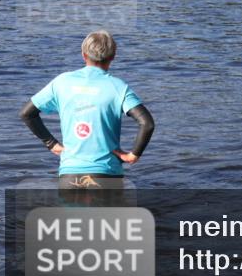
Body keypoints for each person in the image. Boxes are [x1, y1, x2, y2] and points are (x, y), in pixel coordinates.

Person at [19, 30, 155, 189]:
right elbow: (147, 123)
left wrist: (51, 143)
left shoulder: (61, 82)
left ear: (84, 55)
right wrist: (133, 155)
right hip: (107, 174)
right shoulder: (118, 87)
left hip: (69, 175)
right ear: (113, 56)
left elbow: (27, 114)